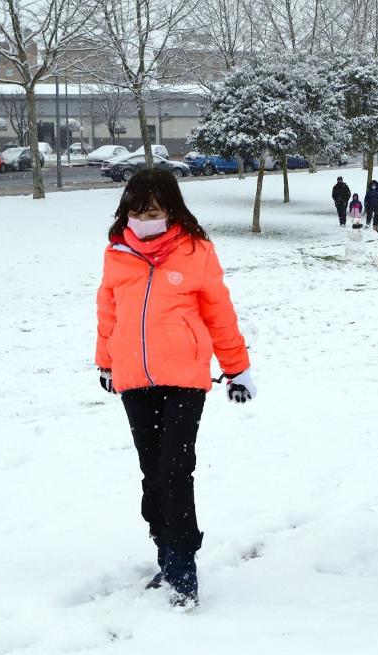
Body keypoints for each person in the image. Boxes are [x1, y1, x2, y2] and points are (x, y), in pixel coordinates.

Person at [95, 169, 258, 608]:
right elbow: (108, 311)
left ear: (171, 207)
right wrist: (105, 362)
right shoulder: (117, 253)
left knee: (175, 468)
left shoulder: (196, 251)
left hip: (185, 377)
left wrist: (237, 368)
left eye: (154, 207)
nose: (146, 215)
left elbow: (219, 314)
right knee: (152, 470)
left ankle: (183, 564)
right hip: (134, 377)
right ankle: (164, 552)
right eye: (137, 207)